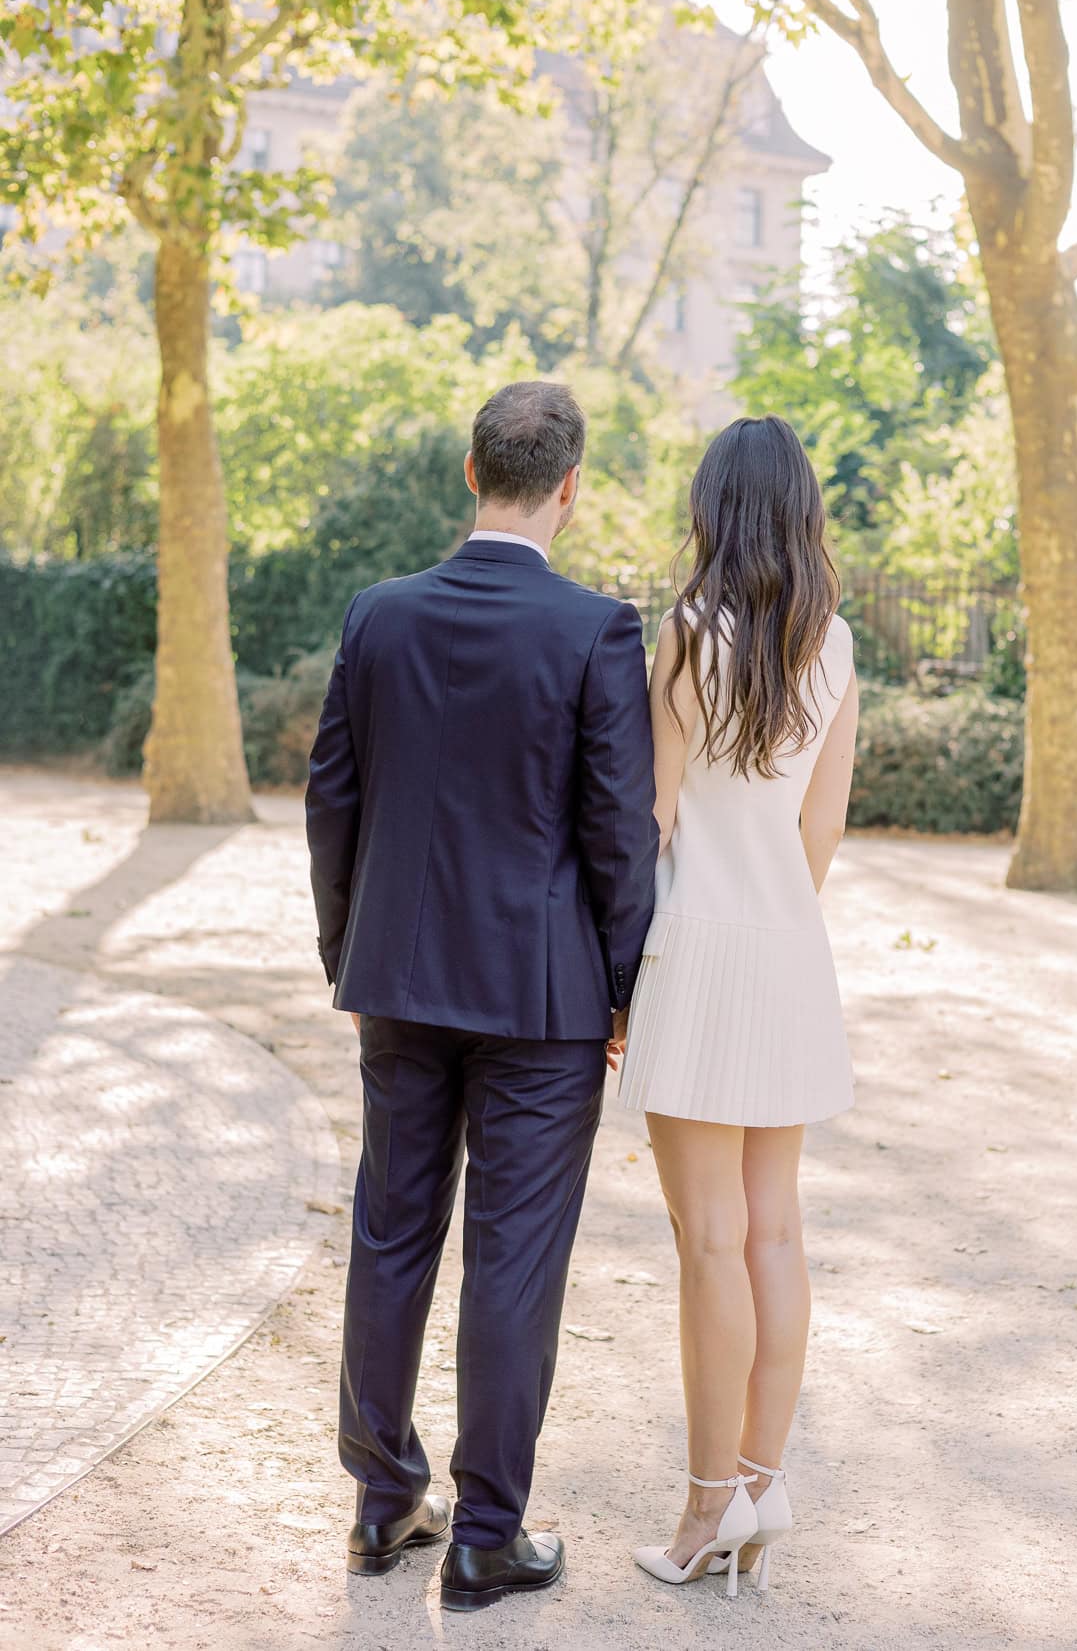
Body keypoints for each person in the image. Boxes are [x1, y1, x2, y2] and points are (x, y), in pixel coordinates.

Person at [306, 380, 658, 1612]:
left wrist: (345, 951)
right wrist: (624, 991)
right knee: (514, 1260)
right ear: (571, 483)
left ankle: (381, 1500)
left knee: (390, 1231)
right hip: (543, 1000)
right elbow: (620, 835)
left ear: (471, 472)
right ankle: (485, 1535)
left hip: (396, 983)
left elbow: (332, 801)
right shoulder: (597, 629)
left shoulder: (378, 615)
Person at [617, 414, 858, 1598]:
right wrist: (775, 923)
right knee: (775, 1232)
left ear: (714, 509)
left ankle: (707, 1507)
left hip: (696, 954)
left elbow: (653, 821)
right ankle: (762, 1479)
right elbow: (820, 830)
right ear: (802, 511)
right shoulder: (835, 644)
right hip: (788, 954)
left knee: (708, 1241)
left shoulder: (684, 637)